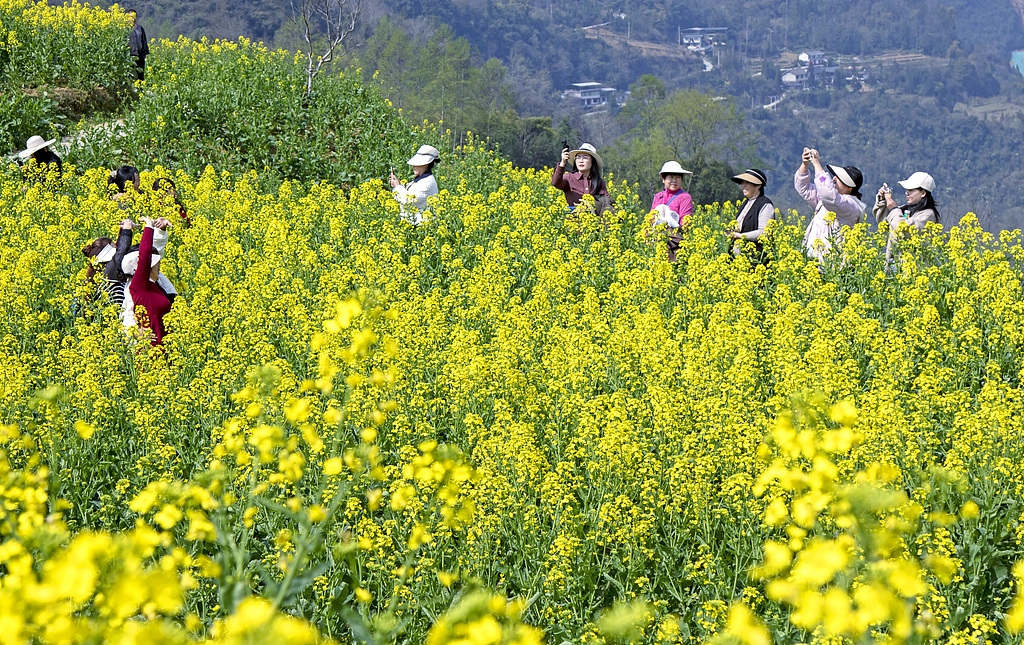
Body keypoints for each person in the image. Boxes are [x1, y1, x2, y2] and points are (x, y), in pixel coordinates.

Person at [794, 148, 865, 262]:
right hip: (813, 260)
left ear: (850, 187)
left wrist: (817, 166)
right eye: (835, 176)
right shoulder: (829, 199)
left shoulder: (851, 205)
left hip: (830, 265)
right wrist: (805, 165)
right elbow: (803, 188)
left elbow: (828, 195)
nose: (834, 179)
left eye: (840, 178)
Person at [873, 172, 940, 264]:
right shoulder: (906, 209)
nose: (906, 193)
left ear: (923, 193)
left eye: (911, 190)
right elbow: (885, 223)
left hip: (911, 271)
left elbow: (903, 228)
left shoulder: (927, 215)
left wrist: (893, 209)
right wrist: (883, 200)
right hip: (894, 266)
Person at [125, 217, 173, 345]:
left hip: (168, 351)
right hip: (151, 353)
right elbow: (145, 256)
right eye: (156, 263)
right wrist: (149, 227)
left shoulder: (156, 284)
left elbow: (155, 249)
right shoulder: (139, 286)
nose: (159, 265)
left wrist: (160, 230)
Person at [647, 161, 693, 262]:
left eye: (677, 177)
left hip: (674, 244)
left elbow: (685, 222)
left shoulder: (685, 197)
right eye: (670, 177)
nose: (674, 181)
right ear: (663, 179)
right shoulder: (658, 196)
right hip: (656, 242)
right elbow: (651, 219)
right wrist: (647, 237)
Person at [727, 169, 775, 264]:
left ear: (758, 186)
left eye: (747, 183)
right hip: (738, 261)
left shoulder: (765, 204)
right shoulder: (745, 203)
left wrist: (740, 236)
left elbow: (764, 233)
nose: (743, 186)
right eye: (742, 183)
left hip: (755, 261)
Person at [551, 143, 609, 213]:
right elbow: (556, 182)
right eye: (578, 157)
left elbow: (606, 202)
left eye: (585, 157)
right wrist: (563, 163)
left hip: (593, 222)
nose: (581, 160)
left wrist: (588, 207)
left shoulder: (599, 182)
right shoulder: (569, 177)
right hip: (572, 221)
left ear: (592, 161)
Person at [389, 145, 440, 225]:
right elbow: (411, 194)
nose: (413, 166)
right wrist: (398, 184)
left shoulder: (427, 182)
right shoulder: (421, 179)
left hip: (422, 227)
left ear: (425, 165)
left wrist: (397, 186)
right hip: (413, 224)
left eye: (417, 164)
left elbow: (408, 200)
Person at [128, 10, 149, 81]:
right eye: (131, 17)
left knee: (140, 74)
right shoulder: (124, 29)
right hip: (129, 55)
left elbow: (144, 41)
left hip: (139, 55)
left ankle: (140, 90)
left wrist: (145, 53)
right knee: (130, 74)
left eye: (134, 17)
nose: (133, 19)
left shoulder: (140, 28)